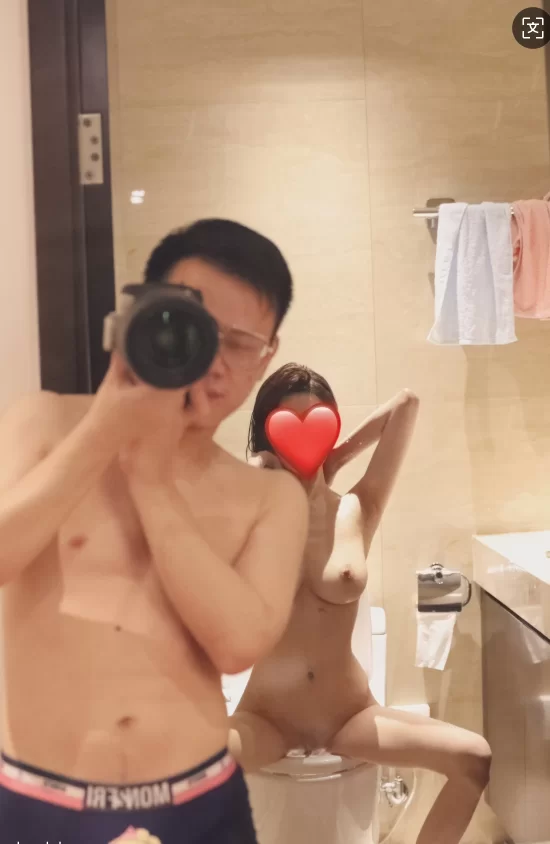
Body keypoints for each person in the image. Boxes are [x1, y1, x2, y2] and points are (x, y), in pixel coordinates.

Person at [0, 220, 309, 843]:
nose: (213, 361)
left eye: (240, 342)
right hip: (37, 804)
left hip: (197, 805)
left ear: (267, 356)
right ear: (138, 318)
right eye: (195, 329)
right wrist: (105, 432)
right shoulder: (41, 422)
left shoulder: (269, 496)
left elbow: (238, 644)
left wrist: (150, 479)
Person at [229, 362, 492, 844]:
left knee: (473, 758)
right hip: (267, 718)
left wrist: (332, 459)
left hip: (348, 715)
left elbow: (406, 404)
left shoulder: (355, 509)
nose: (302, 437)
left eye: (316, 422)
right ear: (267, 437)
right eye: (288, 425)